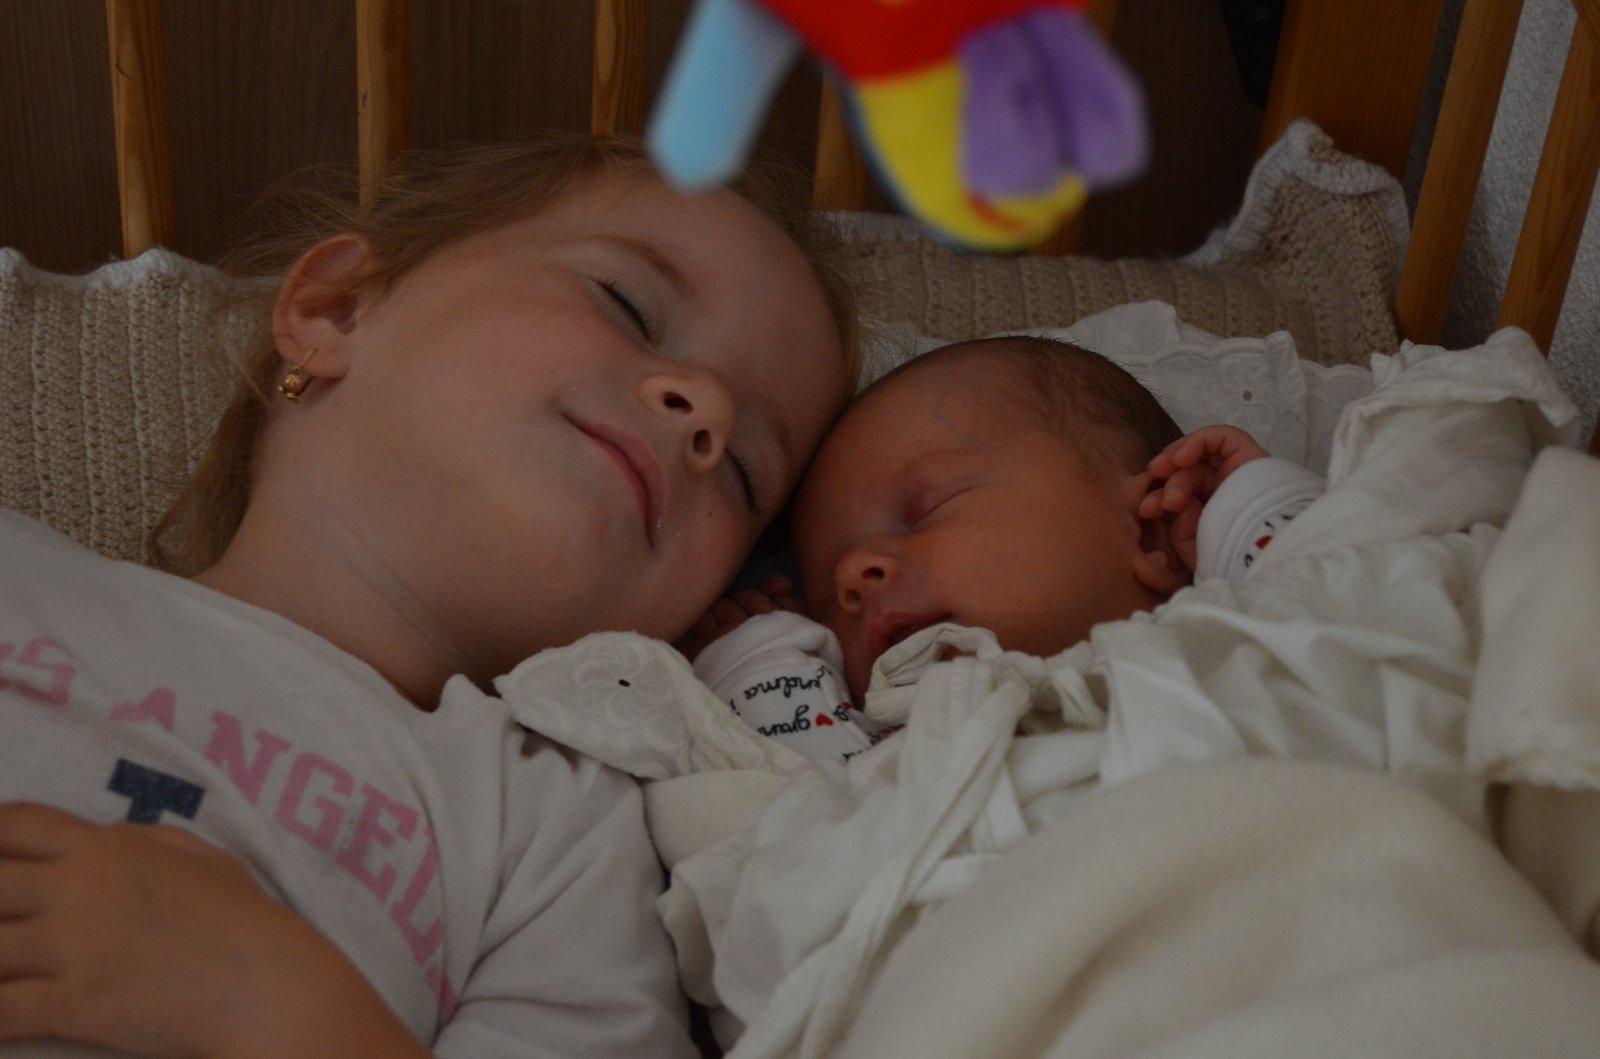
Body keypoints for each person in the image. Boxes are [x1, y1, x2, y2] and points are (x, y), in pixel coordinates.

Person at [0, 133, 857, 1056]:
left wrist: (267, 1002)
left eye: (743, 472)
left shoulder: (563, 829)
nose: (708, 413)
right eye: (626, 303)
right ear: (336, 307)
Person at [680, 336, 1324, 763]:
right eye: (824, 601)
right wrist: (759, 669)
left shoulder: (1227, 647)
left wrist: (1246, 510)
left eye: (926, 510)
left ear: (1151, 532)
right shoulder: (897, 748)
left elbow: (1343, 602)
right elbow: (816, 834)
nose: (852, 574)